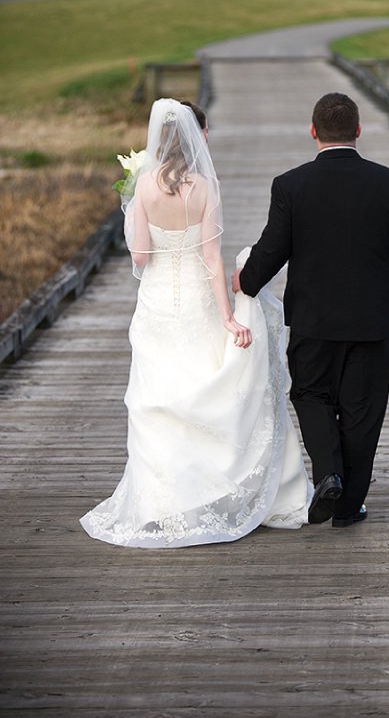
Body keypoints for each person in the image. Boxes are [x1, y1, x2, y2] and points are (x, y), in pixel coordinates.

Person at [81, 98, 313, 548]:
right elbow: (211, 257)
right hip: (198, 302)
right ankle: (210, 495)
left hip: (157, 304)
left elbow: (141, 256)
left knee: (158, 399)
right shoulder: (205, 187)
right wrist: (228, 316)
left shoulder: (144, 187)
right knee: (202, 391)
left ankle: (162, 505)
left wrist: (132, 211)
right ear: (193, 138)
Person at [233, 92, 389, 529]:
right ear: (358, 131)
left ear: (313, 132)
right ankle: (349, 506)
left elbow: (273, 249)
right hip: (371, 322)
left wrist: (246, 281)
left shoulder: (291, 185)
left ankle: (328, 472)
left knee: (310, 395)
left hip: (314, 321)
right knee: (363, 410)